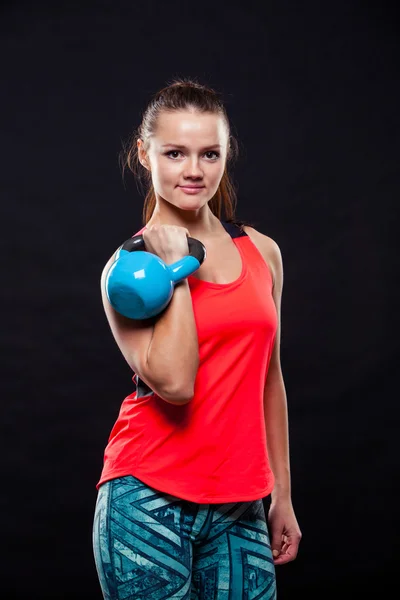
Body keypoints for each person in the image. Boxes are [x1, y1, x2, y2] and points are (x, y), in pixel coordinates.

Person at [92, 77, 302, 600]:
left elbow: (268, 379)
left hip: (240, 504)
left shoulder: (262, 252)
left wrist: (283, 495)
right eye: (174, 153)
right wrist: (177, 268)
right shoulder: (128, 270)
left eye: (209, 153)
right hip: (147, 497)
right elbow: (177, 383)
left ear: (226, 155)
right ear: (144, 154)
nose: (193, 170)